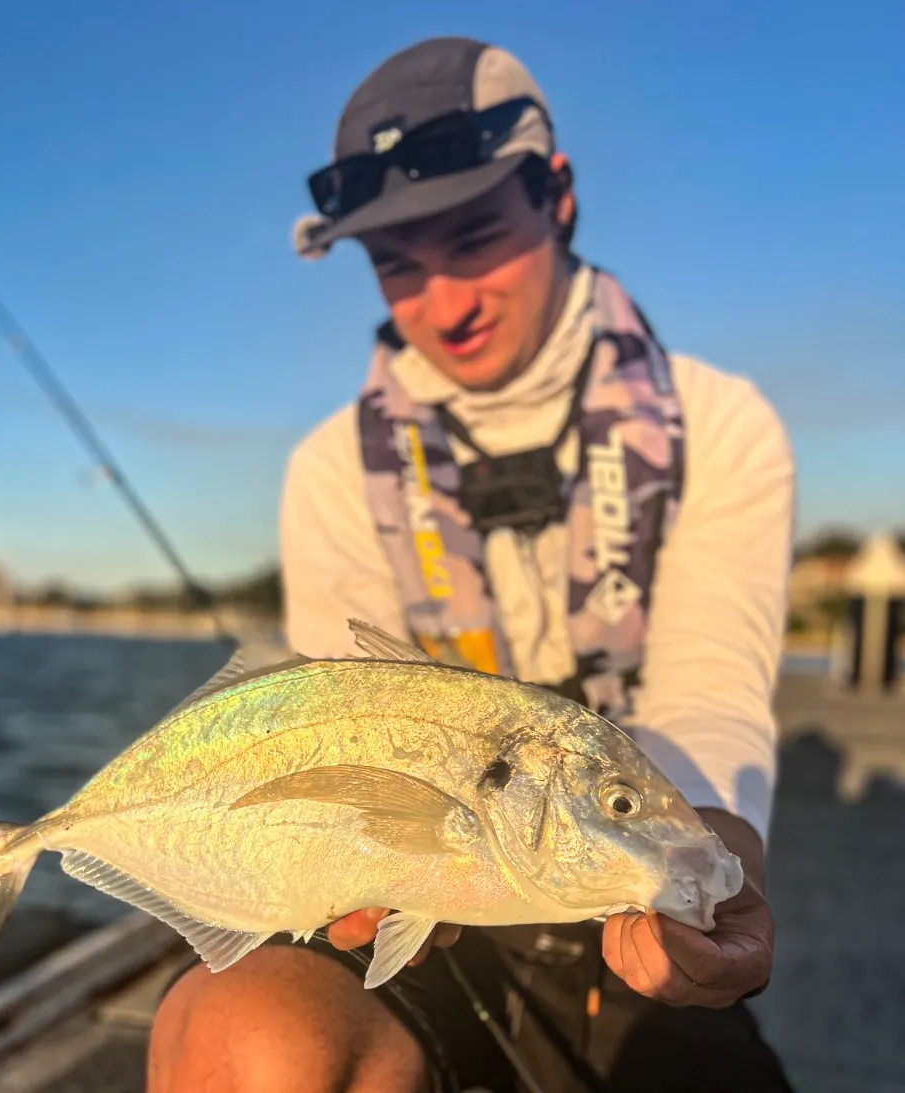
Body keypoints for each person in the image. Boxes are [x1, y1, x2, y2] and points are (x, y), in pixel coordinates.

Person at [147, 36, 797, 1093]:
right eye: (395, 264)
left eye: (476, 238)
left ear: (559, 200)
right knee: (243, 1035)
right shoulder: (329, 469)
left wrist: (713, 857)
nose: (444, 302)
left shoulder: (718, 423)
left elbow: (713, 685)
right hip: (431, 903)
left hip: (622, 887)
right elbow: (338, 712)